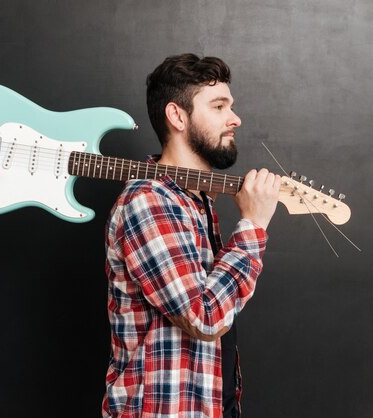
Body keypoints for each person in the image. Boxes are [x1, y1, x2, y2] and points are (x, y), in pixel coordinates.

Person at [101, 53, 282, 418]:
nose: (235, 119)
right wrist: (253, 225)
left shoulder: (194, 202)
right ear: (177, 116)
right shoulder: (149, 202)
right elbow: (205, 316)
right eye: (219, 106)